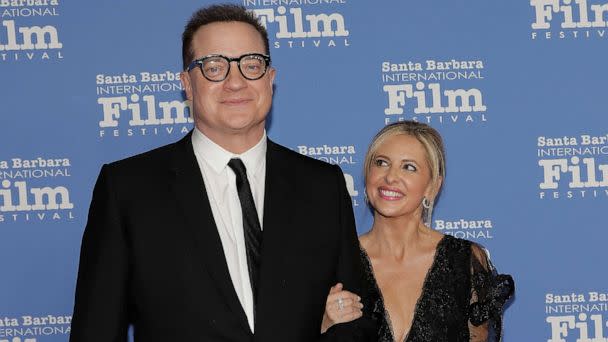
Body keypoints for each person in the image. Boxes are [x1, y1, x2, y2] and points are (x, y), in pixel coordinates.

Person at [69, 4, 376, 341]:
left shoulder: (322, 187)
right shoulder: (128, 190)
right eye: (214, 67)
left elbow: (353, 324)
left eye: (251, 65)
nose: (235, 82)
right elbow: (96, 330)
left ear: (270, 80)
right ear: (186, 83)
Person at [322, 121, 514, 341]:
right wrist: (323, 324)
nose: (391, 177)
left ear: (432, 186)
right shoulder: (334, 261)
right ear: (367, 175)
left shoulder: (464, 260)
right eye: (382, 163)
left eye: (409, 167)